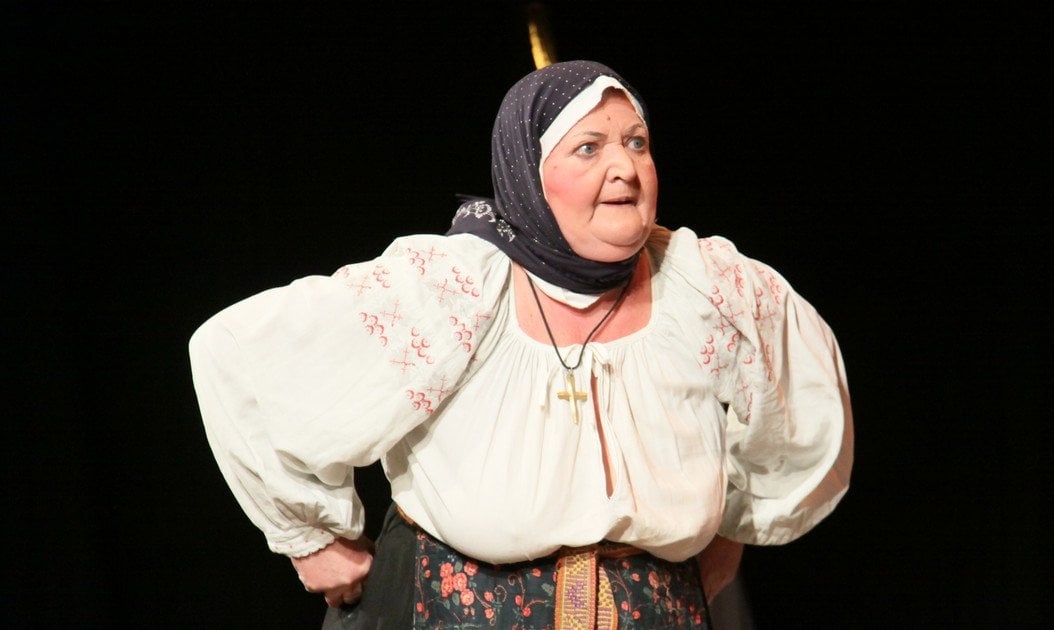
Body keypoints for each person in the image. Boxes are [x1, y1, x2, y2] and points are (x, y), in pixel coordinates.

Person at [190, 60, 854, 629]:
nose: (625, 168)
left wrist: (734, 527)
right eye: (589, 148)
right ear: (528, 172)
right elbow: (235, 356)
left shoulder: (708, 286)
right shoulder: (453, 287)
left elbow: (802, 415)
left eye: (637, 143)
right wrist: (310, 538)